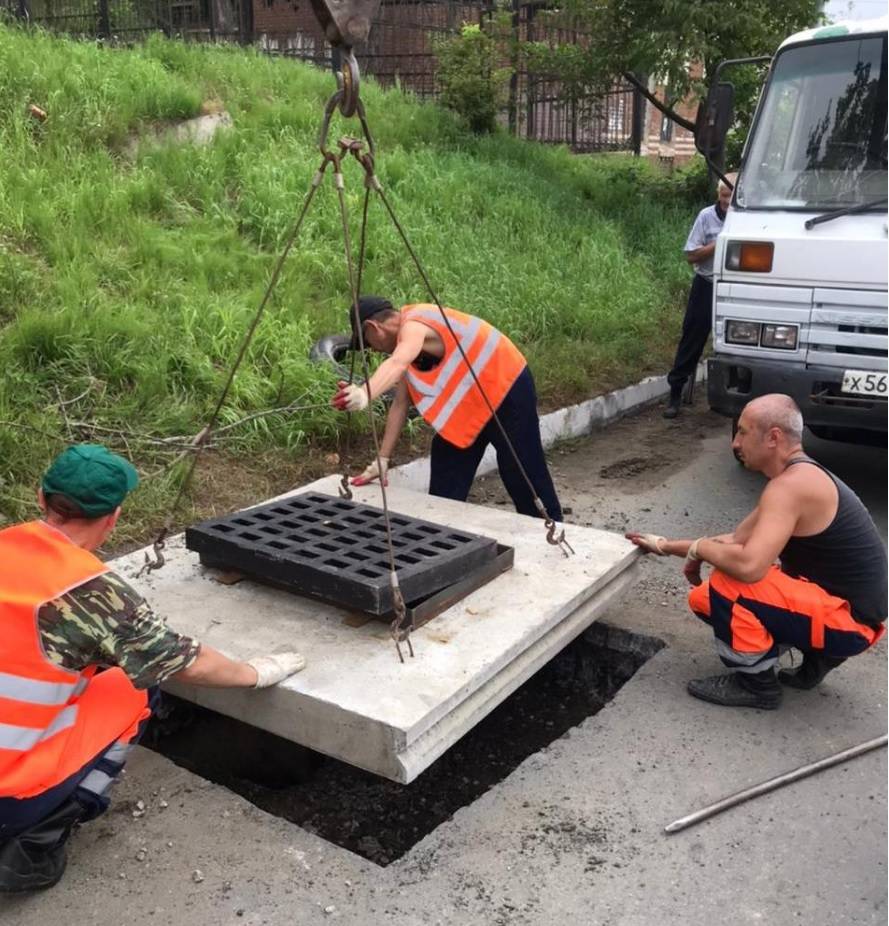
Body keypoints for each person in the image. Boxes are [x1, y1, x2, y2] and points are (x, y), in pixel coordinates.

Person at [0, 445, 307, 893]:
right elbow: (186, 663)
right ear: (114, 517)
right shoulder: (92, 595)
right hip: (7, 796)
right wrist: (256, 672)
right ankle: (32, 844)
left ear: (40, 498)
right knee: (135, 690)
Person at [627, 394, 886, 709]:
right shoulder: (798, 477)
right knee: (704, 598)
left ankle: (757, 685)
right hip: (847, 615)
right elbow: (736, 539)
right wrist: (665, 545)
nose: (735, 443)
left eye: (743, 432)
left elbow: (748, 566)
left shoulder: (790, 487)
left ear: (773, 437)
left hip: (849, 623)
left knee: (729, 584)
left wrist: (702, 550)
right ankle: (819, 654)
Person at [330, 296, 563, 521]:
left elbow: (397, 362)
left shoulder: (414, 325)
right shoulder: (408, 347)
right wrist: (382, 459)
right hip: (471, 405)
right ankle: (441, 531)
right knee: (447, 466)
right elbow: (400, 404)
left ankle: (551, 529)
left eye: (367, 343)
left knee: (520, 469)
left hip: (506, 388)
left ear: (373, 327)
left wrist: (364, 394)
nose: (372, 350)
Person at [663, 173, 736, 419]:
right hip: (706, 284)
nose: (727, 201)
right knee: (692, 338)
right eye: (724, 195)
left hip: (734, 289)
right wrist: (719, 243)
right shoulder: (706, 216)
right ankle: (675, 394)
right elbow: (691, 254)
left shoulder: (745, 219)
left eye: (732, 196)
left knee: (735, 342)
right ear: (718, 194)